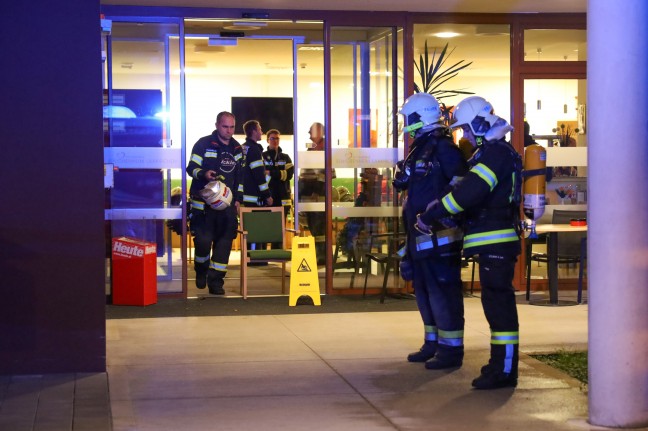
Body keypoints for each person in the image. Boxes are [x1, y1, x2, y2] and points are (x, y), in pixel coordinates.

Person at [417, 96, 523, 389]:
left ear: (479, 123)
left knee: (499, 307)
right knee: (495, 304)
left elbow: (470, 194)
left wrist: (435, 212)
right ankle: (499, 366)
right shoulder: (492, 153)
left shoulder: (496, 154)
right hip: (492, 242)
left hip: (496, 243)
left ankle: (503, 370)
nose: (463, 136)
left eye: (465, 129)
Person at [394, 93, 469, 370]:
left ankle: (451, 351)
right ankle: (433, 343)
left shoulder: (444, 148)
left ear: (419, 117)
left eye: (408, 117)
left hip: (439, 235)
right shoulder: (421, 147)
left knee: (443, 292)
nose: (406, 122)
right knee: (424, 290)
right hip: (419, 235)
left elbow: (461, 186)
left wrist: (437, 212)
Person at [186, 111, 243, 295]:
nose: (229, 130)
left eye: (232, 127)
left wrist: (238, 199)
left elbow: (239, 177)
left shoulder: (237, 149)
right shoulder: (203, 144)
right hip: (204, 205)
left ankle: (216, 282)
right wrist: (204, 173)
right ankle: (201, 271)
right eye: (225, 126)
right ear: (217, 125)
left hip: (227, 207)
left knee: (224, 243)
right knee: (203, 242)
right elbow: (191, 168)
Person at [298, 122, 330, 264]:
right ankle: (318, 255)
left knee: (319, 227)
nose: (308, 133)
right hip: (308, 195)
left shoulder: (325, 150)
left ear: (318, 132)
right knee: (313, 226)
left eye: (311, 131)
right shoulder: (311, 150)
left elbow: (327, 175)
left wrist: (316, 191)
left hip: (318, 196)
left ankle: (322, 256)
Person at [262, 129, 294, 221]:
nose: (275, 141)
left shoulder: (285, 157)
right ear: (268, 140)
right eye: (272, 138)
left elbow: (289, 175)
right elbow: (262, 175)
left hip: (283, 196)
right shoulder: (262, 156)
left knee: (281, 226)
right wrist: (280, 173)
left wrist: (271, 173)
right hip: (269, 196)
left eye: (277, 138)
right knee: (268, 224)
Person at [241, 120, 273, 208]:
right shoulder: (254, 149)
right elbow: (259, 175)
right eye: (260, 130)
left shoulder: (243, 147)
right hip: (254, 198)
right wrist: (267, 195)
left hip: (243, 196)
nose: (262, 132)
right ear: (254, 131)